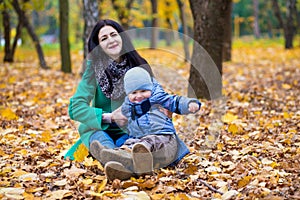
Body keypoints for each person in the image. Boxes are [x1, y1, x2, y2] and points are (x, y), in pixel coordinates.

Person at [64, 19, 154, 166]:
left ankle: (124, 161)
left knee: (138, 146)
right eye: (104, 38)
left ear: (122, 37)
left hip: (132, 132)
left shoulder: (139, 65)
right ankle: (115, 161)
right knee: (103, 144)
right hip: (100, 129)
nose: (111, 40)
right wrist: (110, 117)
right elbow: (75, 108)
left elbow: (155, 98)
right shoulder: (93, 69)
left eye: (114, 34)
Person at [100, 67, 201, 181]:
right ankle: (123, 168)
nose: (138, 96)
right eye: (134, 93)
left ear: (150, 88)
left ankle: (135, 155)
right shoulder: (128, 107)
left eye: (143, 91)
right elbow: (117, 117)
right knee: (130, 142)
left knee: (147, 142)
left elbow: (176, 101)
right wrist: (104, 118)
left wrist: (189, 104)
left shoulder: (159, 98)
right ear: (128, 94)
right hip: (140, 144)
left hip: (164, 142)